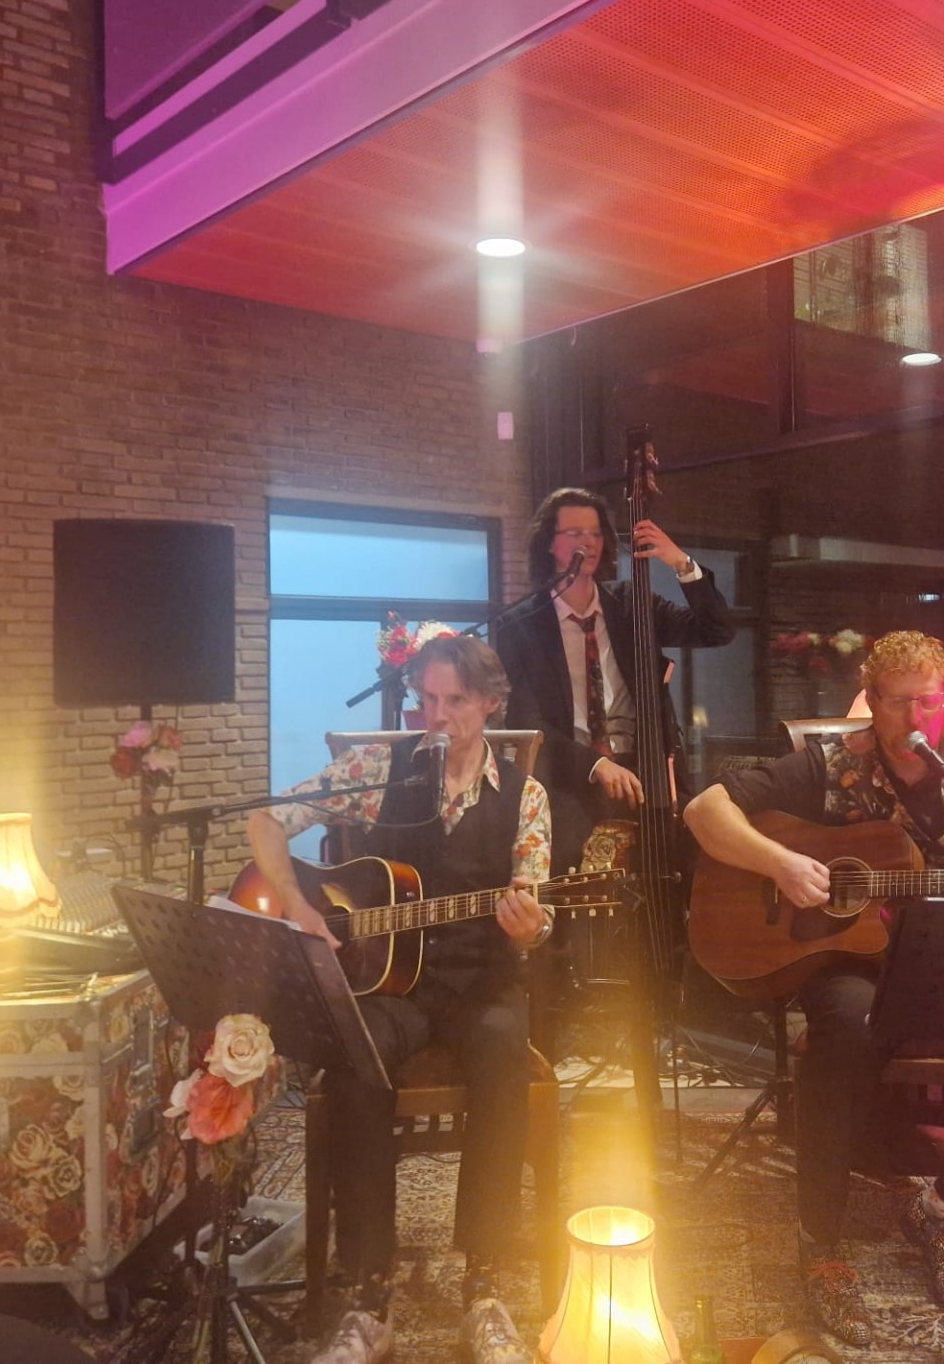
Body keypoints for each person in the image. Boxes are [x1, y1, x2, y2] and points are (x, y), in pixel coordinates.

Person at [681, 630, 944, 1345]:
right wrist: (781, 863)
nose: (914, 718)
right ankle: (820, 1239)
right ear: (871, 703)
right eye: (898, 703)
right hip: (855, 967)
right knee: (845, 1029)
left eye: (928, 702)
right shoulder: (827, 767)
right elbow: (703, 811)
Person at [245, 635, 553, 1364]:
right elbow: (265, 820)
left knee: (503, 1057)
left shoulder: (526, 796)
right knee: (356, 1063)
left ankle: (484, 1289)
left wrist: (532, 927)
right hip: (388, 984)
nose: (436, 717)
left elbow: (536, 909)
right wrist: (297, 903)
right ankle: (370, 1298)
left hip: (480, 981)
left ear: (490, 703)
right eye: (426, 700)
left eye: (455, 701)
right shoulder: (379, 768)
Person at [492, 486, 736, 872]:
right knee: (578, 876)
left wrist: (681, 563)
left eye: (595, 533)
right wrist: (594, 765)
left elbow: (716, 630)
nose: (587, 542)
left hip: (646, 769)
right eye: (575, 532)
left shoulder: (632, 604)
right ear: (549, 543)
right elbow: (526, 721)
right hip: (571, 777)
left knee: (676, 868)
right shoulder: (521, 624)